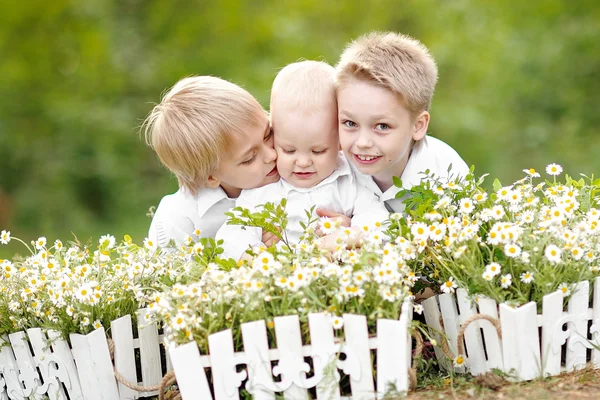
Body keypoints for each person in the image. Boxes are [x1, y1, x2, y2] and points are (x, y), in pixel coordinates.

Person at [216, 61, 389, 261]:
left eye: (318, 150)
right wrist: (254, 254)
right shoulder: (261, 192)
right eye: (288, 150)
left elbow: (377, 219)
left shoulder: (349, 179)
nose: (303, 162)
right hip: (283, 281)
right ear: (274, 134)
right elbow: (232, 235)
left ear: (340, 141)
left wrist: (350, 234)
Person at [323, 31, 469, 215]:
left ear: (418, 125)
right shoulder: (331, 166)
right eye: (350, 123)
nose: (362, 143)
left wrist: (356, 233)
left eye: (382, 126)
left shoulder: (446, 175)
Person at [143, 76, 280, 247]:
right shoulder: (179, 221)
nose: (272, 155)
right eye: (249, 158)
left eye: (268, 135)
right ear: (211, 177)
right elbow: (174, 272)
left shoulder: (295, 168)